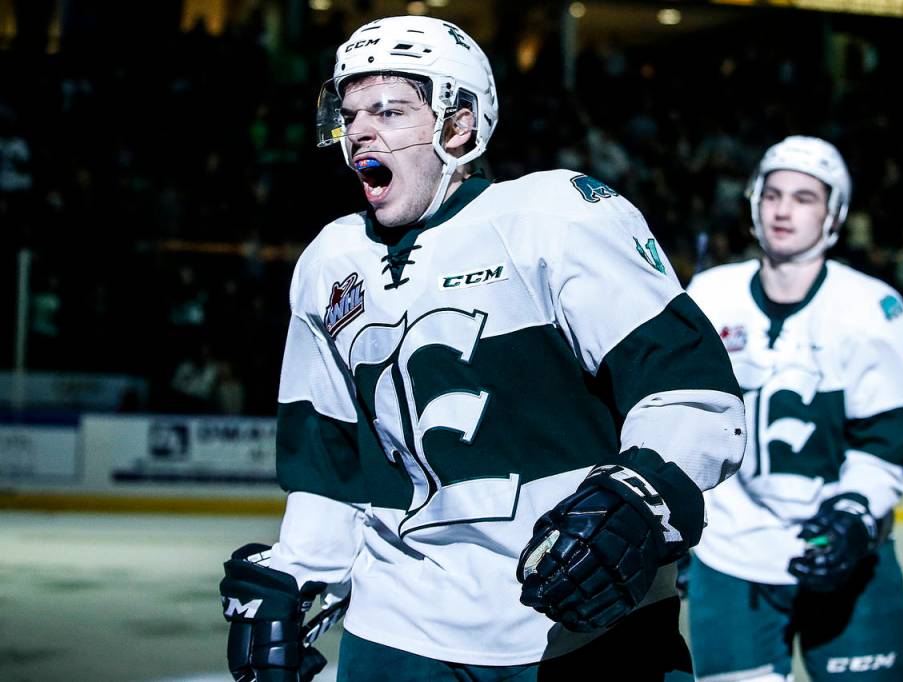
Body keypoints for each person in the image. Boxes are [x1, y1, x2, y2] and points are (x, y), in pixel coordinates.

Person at [217, 15, 746, 682]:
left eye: (389, 110)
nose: (359, 132)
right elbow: (331, 464)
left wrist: (643, 494)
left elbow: (689, 390)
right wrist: (299, 570)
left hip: (581, 617)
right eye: (350, 113)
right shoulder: (330, 261)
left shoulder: (559, 217)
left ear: (458, 124)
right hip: (398, 628)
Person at [683, 136, 903, 681]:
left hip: (847, 556)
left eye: (804, 197)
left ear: (833, 213)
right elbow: (685, 421)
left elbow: (887, 438)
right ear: (754, 203)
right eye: (772, 194)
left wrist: (853, 513)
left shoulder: (874, 310)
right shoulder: (710, 296)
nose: (783, 209)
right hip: (732, 558)